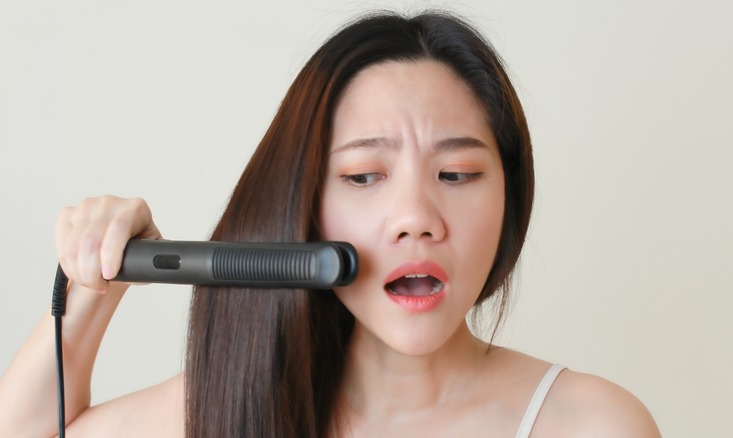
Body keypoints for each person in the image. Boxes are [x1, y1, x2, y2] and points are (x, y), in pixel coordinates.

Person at [0, 10, 661, 437]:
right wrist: (95, 278)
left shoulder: (591, 424)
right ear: (305, 204)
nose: (416, 220)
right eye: (363, 177)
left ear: (510, 199)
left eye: (456, 175)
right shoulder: (225, 408)